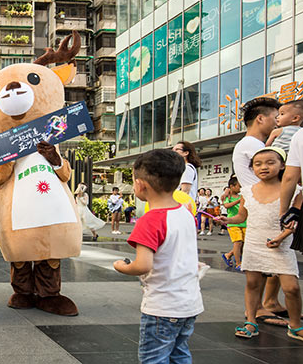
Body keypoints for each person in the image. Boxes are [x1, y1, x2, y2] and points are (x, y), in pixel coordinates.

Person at [113, 149, 203, 363]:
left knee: (154, 358)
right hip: (190, 302)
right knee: (179, 353)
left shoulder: (149, 221)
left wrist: (121, 266)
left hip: (163, 306)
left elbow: (143, 265)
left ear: (140, 185)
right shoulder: (185, 213)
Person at [221, 147, 302, 341]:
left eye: (270, 163)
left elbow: (295, 221)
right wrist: (227, 220)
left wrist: (282, 237)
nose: (263, 167)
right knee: (252, 284)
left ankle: (295, 326)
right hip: (254, 243)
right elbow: (242, 216)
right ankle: (251, 321)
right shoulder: (247, 191)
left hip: (281, 245)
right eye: (257, 164)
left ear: (282, 165)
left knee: (291, 288)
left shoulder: (295, 191)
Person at [233, 97, 287, 323]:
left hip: (263, 205)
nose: (278, 122)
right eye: (276, 117)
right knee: (270, 257)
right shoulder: (253, 146)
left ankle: (269, 302)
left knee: (275, 256)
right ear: (260, 118)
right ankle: (258, 308)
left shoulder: (251, 145)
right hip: (263, 207)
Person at [221, 177, 244, 270]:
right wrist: (239, 201)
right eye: (239, 186)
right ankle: (238, 263)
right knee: (238, 242)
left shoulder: (241, 196)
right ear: (232, 186)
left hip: (244, 222)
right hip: (233, 223)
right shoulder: (228, 197)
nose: (240, 188)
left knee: (243, 244)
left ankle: (229, 254)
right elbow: (226, 205)